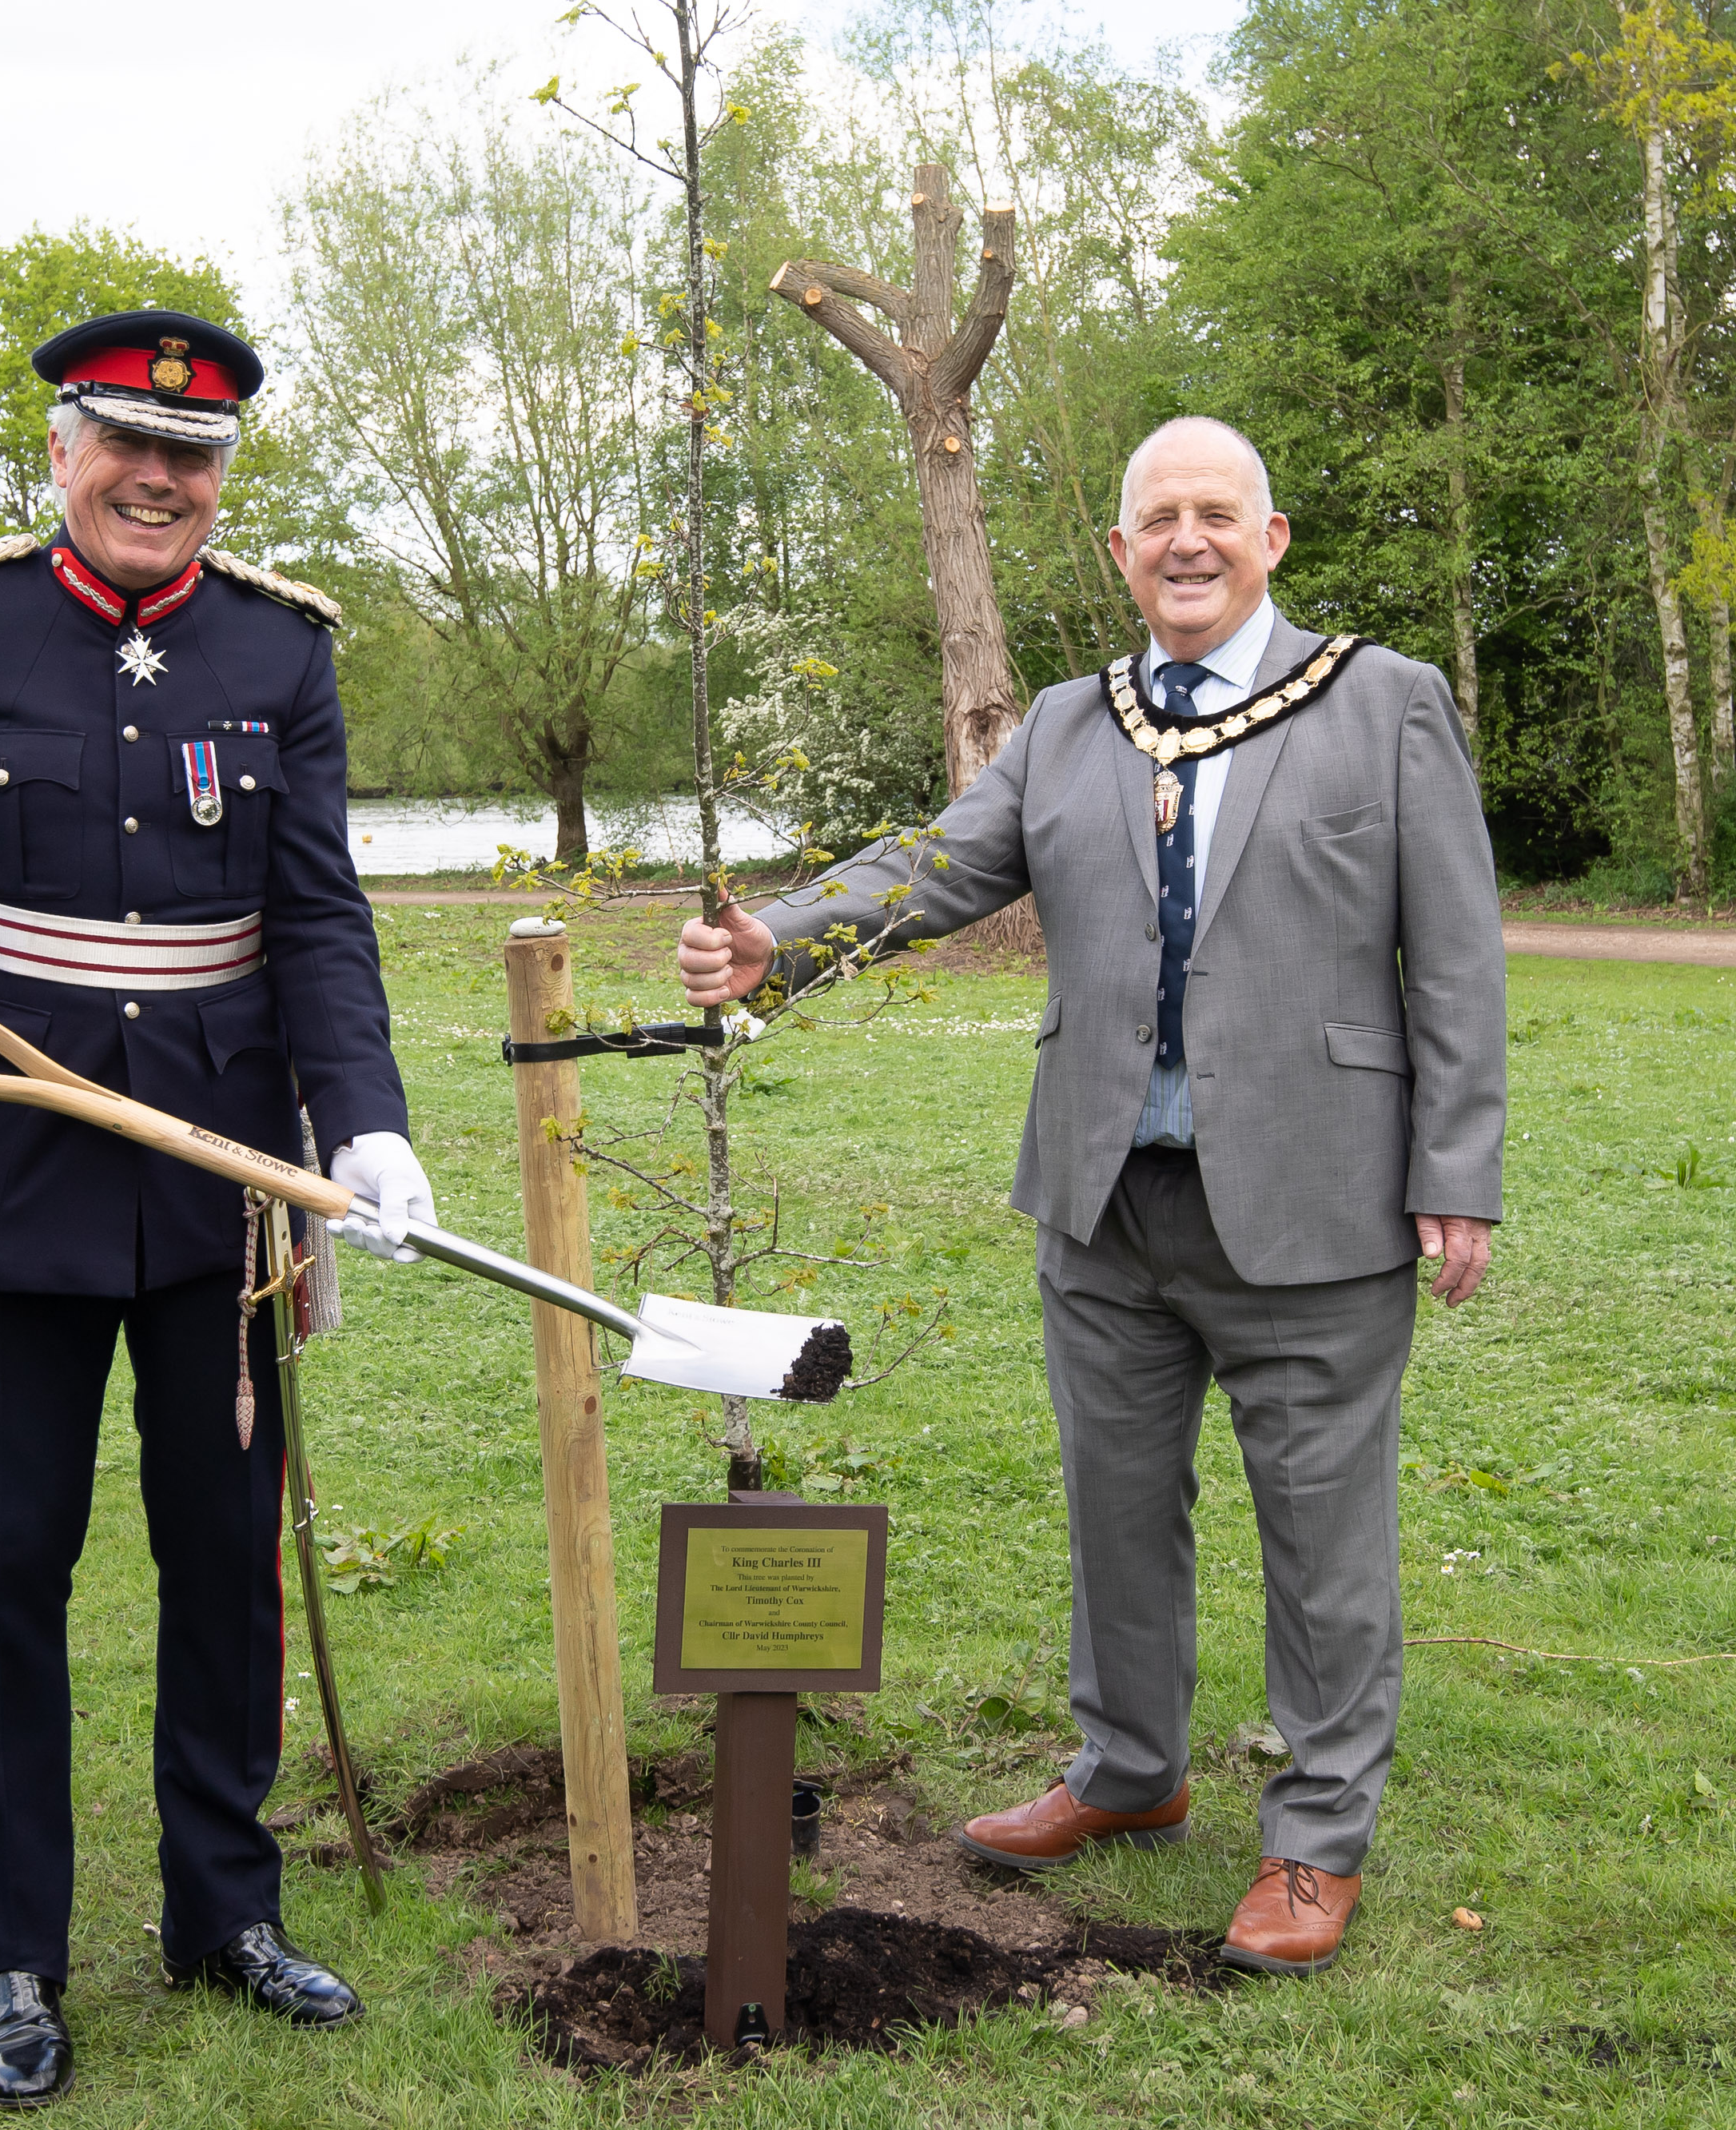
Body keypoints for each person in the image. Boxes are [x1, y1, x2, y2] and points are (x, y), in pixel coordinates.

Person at [677, 418, 1504, 1979]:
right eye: (1153, 519)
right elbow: (936, 864)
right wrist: (779, 934)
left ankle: (1315, 1834)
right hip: (1103, 1207)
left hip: (1317, 1213)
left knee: (1322, 1540)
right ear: (1120, 552)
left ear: (1270, 537)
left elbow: (1452, 957)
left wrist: (1452, 1175)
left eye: (1213, 514)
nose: (1183, 541)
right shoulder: (1069, 723)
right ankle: (1129, 1771)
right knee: (1115, 1514)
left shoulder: (1381, 704)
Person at [0, 310, 441, 2107]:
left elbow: (315, 914)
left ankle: (220, 1916)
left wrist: (366, 1125)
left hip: (223, 1187)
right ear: (66, 453)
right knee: (10, 1572)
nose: (160, 479)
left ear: (223, 475)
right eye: (126, 445)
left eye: (196, 457)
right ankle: (14, 1954)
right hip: (8, 1167)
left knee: (223, 1565)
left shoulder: (280, 649)